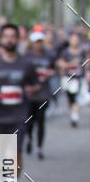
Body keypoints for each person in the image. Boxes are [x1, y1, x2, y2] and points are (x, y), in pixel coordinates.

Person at [0, 23, 39, 175]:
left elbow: (36, 85)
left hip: (19, 115)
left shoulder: (26, 63)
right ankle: (4, 180)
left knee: (15, 152)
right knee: (0, 154)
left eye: (13, 37)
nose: (9, 40)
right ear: (1, 39)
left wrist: (31, 89)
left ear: (18, 39)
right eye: (6, 37)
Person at [25, 29, 55, 159]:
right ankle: (29, 139)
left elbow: (53, 69)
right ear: (32, 42)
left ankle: (39, 148)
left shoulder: (48, 55)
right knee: (29, 121)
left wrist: (50, 73)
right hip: (31, 94)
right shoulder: (27, 56)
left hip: (43, 93)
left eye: (40, 42)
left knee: (41, 120)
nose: (38, 44)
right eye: (36, 42)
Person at [57, 30, 87, 127]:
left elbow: (85, 64)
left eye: (76, 39)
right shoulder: (65, 52)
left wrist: (86, 72)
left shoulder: (82, 52)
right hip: (67, 78)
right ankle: (73, 112)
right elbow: (60, 64)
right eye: (73, 39)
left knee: (76, 97)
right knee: (70, 98)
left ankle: (75, 116)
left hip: (78, 78)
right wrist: (70, 64)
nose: (74, 41)